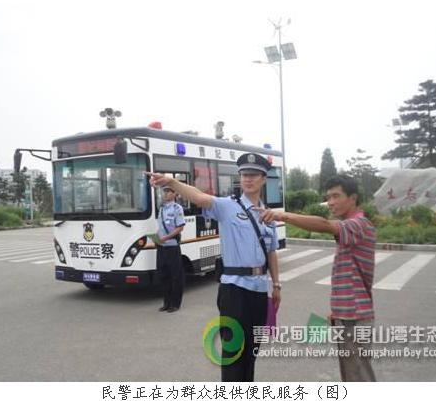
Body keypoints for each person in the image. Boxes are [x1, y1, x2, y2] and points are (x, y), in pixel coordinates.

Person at [146, 153, 281, 382]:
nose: (248, 179)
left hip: (259, 291)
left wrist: (276, 284)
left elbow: (271, 252)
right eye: (244, 174)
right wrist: (172, 182)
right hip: (234, 291)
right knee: (233, 353)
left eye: (254, 175)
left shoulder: (268, 215)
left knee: (251, 352)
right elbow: (199, 197)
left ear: (263, 179)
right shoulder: (227, 206)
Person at [258, 174, 377, 382]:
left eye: (336, 196)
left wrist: (281, 216)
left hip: (355, 317)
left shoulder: (359, 225)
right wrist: (338, 310)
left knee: (359, 376)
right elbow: (351, 274)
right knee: (351, 375)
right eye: (328, 197)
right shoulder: (350, 229)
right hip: (347, 314)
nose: (330, 202)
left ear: (353, 198)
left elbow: (324, 224)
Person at [156, 185, 186, 313]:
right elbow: (160, 227)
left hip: (172, 246)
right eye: (165, 191)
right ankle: (166, 302)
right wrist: (157, 237)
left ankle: (175, 304)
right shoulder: (161, 208)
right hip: (161, 246)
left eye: (168, 191)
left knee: (175, 276)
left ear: (174, 194)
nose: (166, 194)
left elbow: (180, 227)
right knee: (163, 275)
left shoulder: (177, 208)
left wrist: (167, 237)